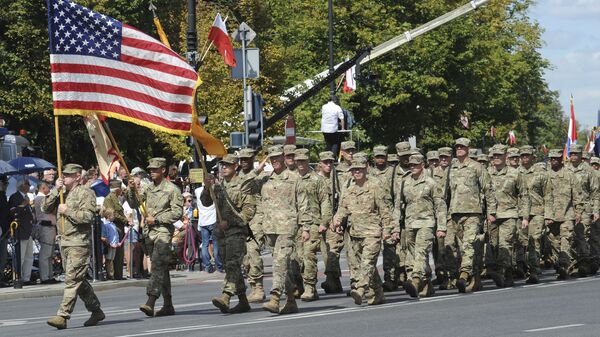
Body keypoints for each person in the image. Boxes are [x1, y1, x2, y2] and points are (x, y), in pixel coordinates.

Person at [43, 163, 104, 329]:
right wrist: (56, 190)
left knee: (72, 279)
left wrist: (67, 210)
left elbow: (88, 217)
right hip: (64, 242)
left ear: (78, 177)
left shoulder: (86, 192)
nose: (64, 178)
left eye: (68, 175)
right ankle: (96, 310)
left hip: (79, 242)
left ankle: (62, 316)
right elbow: (45, 207)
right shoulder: (62, 193)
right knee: (78, 279)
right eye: (63, 175)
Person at [253, 145, 310, 315]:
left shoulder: (294, 179)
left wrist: (306, 227)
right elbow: (244, 185)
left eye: (278, 157)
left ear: (284, 158)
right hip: (270, 228)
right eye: (272, 158)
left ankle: (275, 298)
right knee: (282, 264)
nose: (275, 160)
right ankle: (291, 301)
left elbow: (303, 205)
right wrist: (259, 168)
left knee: (279, 262)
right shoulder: (264, 179)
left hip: (287, 227)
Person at [333, 158, 395, 306]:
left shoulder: (375, 186)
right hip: (355, 233)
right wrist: (336, 220)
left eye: (360, 169)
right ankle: (378, 293)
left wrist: (388, 229)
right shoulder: (349, 189)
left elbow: (385, 210)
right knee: (368, 265)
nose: (357, 172)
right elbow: (342, 208)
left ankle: (360, 289)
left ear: (366, 169)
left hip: (372, 232)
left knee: (367, 262)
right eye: (354, 170)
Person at [127, 158, 183, 317]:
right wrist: (131, 190)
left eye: (155, 169)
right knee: (162, 268)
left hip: (163, 231)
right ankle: (168, 304)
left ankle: (150, 301)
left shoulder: (172, 189)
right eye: (150, 169)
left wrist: (158, 219)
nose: (152, 172)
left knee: (157, 265)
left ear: (163, 170)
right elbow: (134, 204)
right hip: (149, 233)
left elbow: (177, 213)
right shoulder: (148, 188)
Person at [202, 154, 256, 314]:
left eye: (228, 165)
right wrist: (207, 187)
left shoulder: (243, 185)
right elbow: (206, 202)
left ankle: (226, 296)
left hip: (237, 232)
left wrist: (231, 222)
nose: (224, 168)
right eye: (222, 165)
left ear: (236, 167)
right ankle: (243, 301)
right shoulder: (219, 185)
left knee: (233, 264)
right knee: (230, 267)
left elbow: (248, 212)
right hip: (221, 233)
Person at [446, 138, 496, 293]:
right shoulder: (451, 168)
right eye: (457, 147)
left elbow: (488, 190)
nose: (459, 149)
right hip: (455, 213)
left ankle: (464, 275)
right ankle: (476, 279)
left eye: (462, 147)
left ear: (468, 149)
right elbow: (446, 193)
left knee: (468, 245)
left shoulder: (477, 167)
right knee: (465, 248)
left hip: (473, 212)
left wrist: (492, 212)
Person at [396, 155, 446, 298]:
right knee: (413, 255)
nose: (412, 167)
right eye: (410, 165)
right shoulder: (404, 183)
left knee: (421, 252)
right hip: (410, 224)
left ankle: (415, 280)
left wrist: (441, 227)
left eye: (416, 165)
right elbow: (398, 207)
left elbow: (440, 206)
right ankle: (427, 284)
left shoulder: (431, 183)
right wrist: (395, 228)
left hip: (426, 223)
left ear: (422, 165)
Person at [487, 146, 529, 288]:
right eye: (494, 156)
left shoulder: (515, 173)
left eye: (499, 155)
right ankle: (508, 274)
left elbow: (524, 195)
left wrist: (525, 217)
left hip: (509, 214)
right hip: (491, 216)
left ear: (505, 156)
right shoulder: (486, 173)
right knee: (494, 246)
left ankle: (501, 272)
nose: (496, 158)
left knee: (505, 244)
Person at [293, 149, 332, 301]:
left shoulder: (317, 179)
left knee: (309, 255)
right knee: (296, 257)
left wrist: (324, 221)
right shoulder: (292, 179)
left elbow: (325, 201)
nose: (300, 164)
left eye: (303, 161)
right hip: (295, 224)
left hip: (313, 222)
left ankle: (310, 287)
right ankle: (299, 285)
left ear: (308, 161)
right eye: (298, 161)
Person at [544, 149, 583, 279]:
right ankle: (565, 264)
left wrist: (578, 212)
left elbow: (577, 194)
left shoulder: (569, 174)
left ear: (561, 159)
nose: (553, 160)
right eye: (551, 158)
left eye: (556, 158)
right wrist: (546, 215)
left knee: (566, 240)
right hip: (551, 216)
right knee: (555, 243)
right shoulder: (545, 175)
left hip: (567, 214)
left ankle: (564, 266)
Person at [237, 147, 267, 303]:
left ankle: (258, 288)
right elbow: (241, 186)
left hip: (258, 217)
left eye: (247, 159)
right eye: (241, 160)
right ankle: (252, 285)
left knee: (253, 251)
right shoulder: (238, 177)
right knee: (245, 256)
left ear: (252, 159)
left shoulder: (263, 175)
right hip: (243, 219)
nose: (243, 162)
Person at [518, 145, 547, 284]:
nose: (524, 158)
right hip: (520, 212)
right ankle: (523, 267)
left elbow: (548, 194)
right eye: (522, 155)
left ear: (533, 157)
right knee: (522, 242)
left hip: (537, 212)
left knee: (534, 240)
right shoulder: (515, 173)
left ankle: (534, 270)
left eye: (527, 155)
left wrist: (548, 214)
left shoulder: (541, 173)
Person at [9, 178, 35, 285]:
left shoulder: (26, 197)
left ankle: (26, 278)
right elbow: (12, 212)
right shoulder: (14, 197)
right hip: (20, 231)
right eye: (27, 184)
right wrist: (23, 205)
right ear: (22, 185)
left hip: (28, 231)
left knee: (29, 256)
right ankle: (18, 278)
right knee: (21, 257)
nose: (29, 186)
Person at [195, 183, 223, 273]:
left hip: (203, 221)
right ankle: (219, 265)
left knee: (205, 244)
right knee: (215, 244)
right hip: (212, 220)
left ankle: (207, 265)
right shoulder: (213, 191)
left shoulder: (197, 191)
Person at [103, 179, 127, 280]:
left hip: (119, 226)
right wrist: (125, 220)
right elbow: (112, 213)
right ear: (117, 189)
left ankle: (119, 274)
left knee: (119, 252)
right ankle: (114, 275)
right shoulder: (109, 198)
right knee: (114, 253)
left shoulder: (116, 198)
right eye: (120, 189)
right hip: (114, 227)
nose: (121, 191)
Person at [34, 182, 58, 284]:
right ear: (43, 188)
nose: (49, 188)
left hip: (50, 227)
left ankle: (49, 275)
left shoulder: (43, 198)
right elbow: (51, 211)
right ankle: (45, 277)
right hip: (45, 226)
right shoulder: (40, 199)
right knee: (45, 254)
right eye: (48, 187)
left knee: (49, 254)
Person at [100, 208, 119, 280]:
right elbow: (105, 236)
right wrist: (109, 243)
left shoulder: (113, 224)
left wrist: (117, 242)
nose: (114, 216)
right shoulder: (106, 225)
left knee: (111, 259)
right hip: (110, 245)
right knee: (108, 260)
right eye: (113, 215)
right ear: (108, 216)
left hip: (114, 244)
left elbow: (115, 235)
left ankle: (111, 273)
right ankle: (110, 274)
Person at [0, 177, 9, 287]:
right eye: (4, 183)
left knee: (3, 256)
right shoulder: (1, 195)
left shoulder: (2, 195)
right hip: (1, 230)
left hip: (4, 230)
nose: (6, 185)